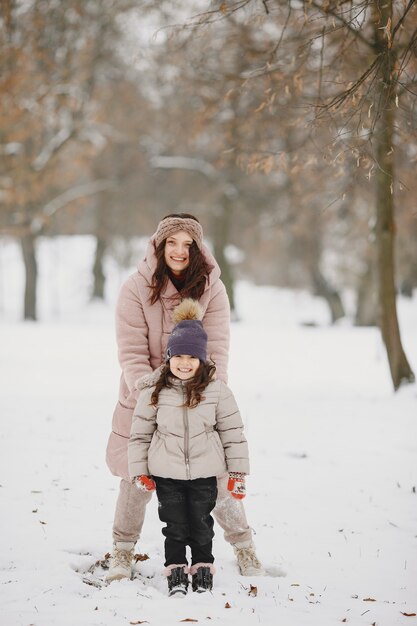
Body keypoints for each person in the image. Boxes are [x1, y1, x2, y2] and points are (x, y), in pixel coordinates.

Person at [105, 213, 264, 582]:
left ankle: (245, 548)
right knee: (135, 479)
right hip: (147, 397)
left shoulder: (211, 288)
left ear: (197, 248)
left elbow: (218, 349)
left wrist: (209, 394)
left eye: (187, 244)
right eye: (172, 242)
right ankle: (122, 552)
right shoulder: (135, 288)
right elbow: (131, 351)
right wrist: (151, 392)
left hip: (199, 397)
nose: (179, 250)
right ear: (159, 245)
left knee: (218, 477)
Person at [128, 299, 250, 595]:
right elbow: (140, 435)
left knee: (201, 524)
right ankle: (177, 570)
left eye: (192, 357)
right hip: (166, 473)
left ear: (202, 360)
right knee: (174, 525)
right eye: (178, 355)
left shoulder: (217, 391)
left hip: (205, 473)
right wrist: (139, 472)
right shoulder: (154, 392)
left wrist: (237, 472)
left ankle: (203, 567)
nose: (185, 363)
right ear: (169, 357)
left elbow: (233, 433)